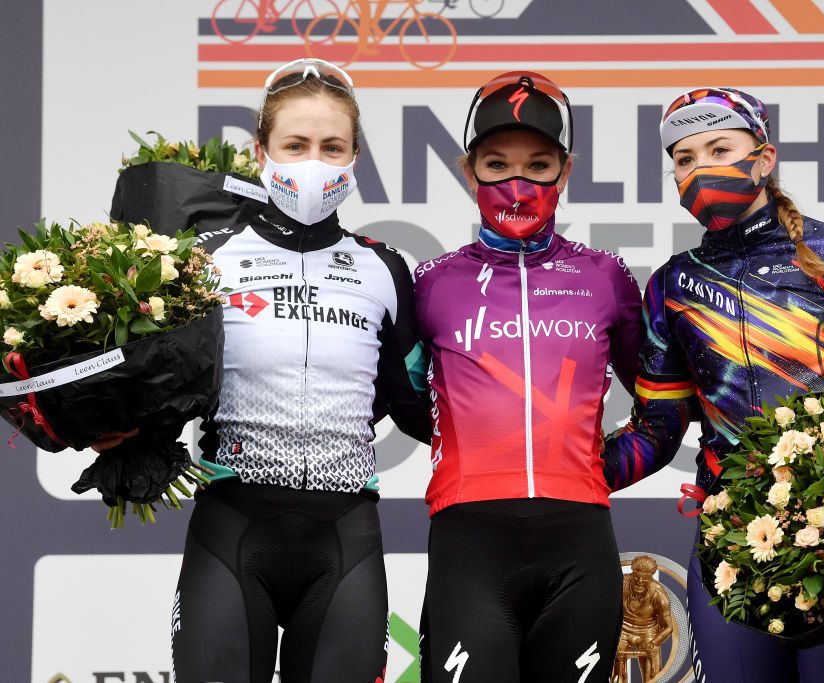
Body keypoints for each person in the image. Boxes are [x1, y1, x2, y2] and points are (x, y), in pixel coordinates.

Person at [99, 58, 429, 682]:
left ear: (355, 156)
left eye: (332, 147)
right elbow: (162, 386)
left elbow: (407, 403)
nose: (314, 161)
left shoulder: (384, 269)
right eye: (296, 145)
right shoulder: (204, 261)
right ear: (262, 152)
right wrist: (109, 424)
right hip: (233, 528)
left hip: (345, 538)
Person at [603, 87, 824, 682]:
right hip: (733, 546)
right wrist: (569, 473)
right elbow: (658, 429)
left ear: (764, 159)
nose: (701, 169)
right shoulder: (673, 285)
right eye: (685, 159)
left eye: (720, 148)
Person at [413, 71, 644, 682]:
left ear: (565, 172)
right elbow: (401, 398)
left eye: (538, 165)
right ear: (469, 172)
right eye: (496, 164)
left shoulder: (605, 277)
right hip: (470, 540)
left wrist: (597, 465)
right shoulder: (432, 282)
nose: (517, 183)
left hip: (579, 542)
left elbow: (664, 404)